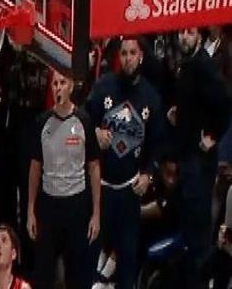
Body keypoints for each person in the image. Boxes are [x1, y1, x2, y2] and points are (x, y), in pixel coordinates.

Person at [86, 37, 166, 289]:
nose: (128, 58)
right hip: (100, 189)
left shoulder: (151, 97)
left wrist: (148, 175)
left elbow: (158, 145)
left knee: (128, 260)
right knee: (92, 256)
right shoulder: (104, 86)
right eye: (124, 53)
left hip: (130, 192)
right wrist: (96, 133)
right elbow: (84, 120)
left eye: (133, 53)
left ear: (141, 56)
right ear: (118, 56)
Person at [27, 69, 101, 289]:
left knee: (76, 274)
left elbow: (94, 167)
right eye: (55, 84)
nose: (58, 88)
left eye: (62, 83)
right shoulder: (42, 122)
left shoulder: (84, 121)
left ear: (71, 86)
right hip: (49, 204)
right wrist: (30, 209)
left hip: (77, 204)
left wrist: (96, 213)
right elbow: (35, 167)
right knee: (44, 274)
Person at [169, 28, 230, 289]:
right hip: (185, 161)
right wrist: (178, 114)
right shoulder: (187, 65)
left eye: (190, 32)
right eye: (181, 32)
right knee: (187, 233)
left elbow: (225, 104)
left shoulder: (205, 66)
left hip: (199, 164)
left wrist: (213, 136)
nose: (184, 37)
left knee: (197, 237)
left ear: (199, 37)